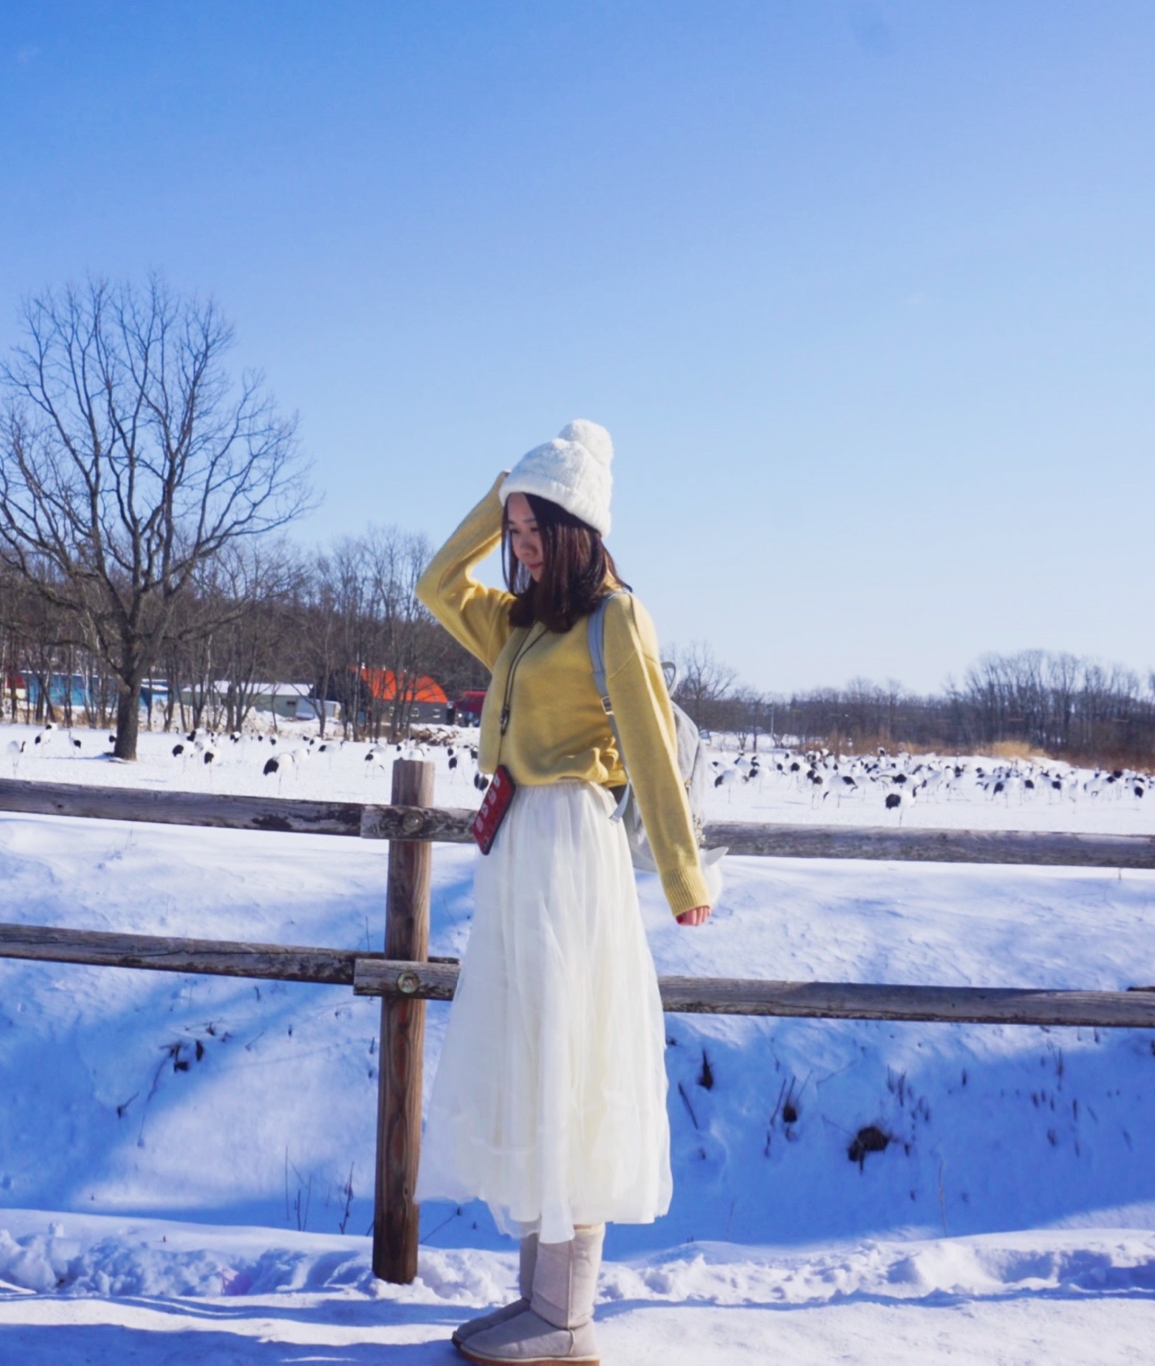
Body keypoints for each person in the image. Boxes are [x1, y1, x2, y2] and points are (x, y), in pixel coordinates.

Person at [413, 420, 712, 1366]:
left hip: (573, 857)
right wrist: (508, 481)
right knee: (533, 1062)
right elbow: (435, 585)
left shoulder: (613, 620)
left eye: (539, 524)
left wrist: (683, 875)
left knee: (575, 1066)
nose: (523, 542)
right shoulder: (521, 621)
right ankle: (539, 1306)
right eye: (515, 528)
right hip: (514, 861)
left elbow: (656, 755)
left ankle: (567, 1316)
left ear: (579, 524)